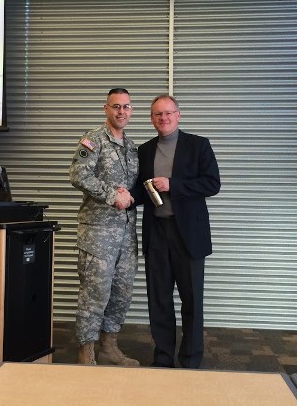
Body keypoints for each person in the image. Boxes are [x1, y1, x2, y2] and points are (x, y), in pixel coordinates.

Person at [133, 94, 220, 368]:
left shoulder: (198, 145)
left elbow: (212, 184)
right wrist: (124, 195)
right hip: (156, 232)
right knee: (158, 299)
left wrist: (174, 185)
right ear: (151, 119)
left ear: (178, 115)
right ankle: (162, 357)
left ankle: (191, 358)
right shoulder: (144, 150)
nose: (164, 118)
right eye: (158, 114)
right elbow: (142, 190)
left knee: (192, 300)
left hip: (189, 237)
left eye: (169, 113)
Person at [68, 88, 140, 366]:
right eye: (116, 106)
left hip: (126, 235)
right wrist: (112, 195)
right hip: (97, 234)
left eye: (127, 107)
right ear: (106, 109)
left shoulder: (132, 147)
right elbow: (77, 173)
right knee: (94, 294)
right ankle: (86, 352)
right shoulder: (94, 140)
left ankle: (109, 348)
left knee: (121, 293)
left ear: (131, 111)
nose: (122, 112)